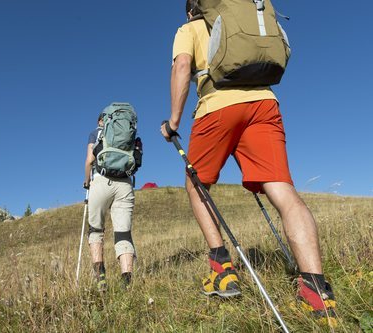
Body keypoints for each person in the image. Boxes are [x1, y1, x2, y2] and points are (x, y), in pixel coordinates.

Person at [160, 0, 337, 326]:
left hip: (217, 106)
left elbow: (182, 66)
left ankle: (222, 271)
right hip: (264, 103)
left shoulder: (189, 28)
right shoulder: (242, 16)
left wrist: (172, 122)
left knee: (196, 184)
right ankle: (317, 291)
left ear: (190, 9)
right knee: (284, 191)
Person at [83, 111, 136, 292]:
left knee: (96, 230)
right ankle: (127, 282)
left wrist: (86, 181)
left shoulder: (96, 132)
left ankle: (101, 280)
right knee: (123, 234)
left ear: (102, 120)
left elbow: (90, 160)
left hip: (101, 181)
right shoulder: (129, 131)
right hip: (125, 184)